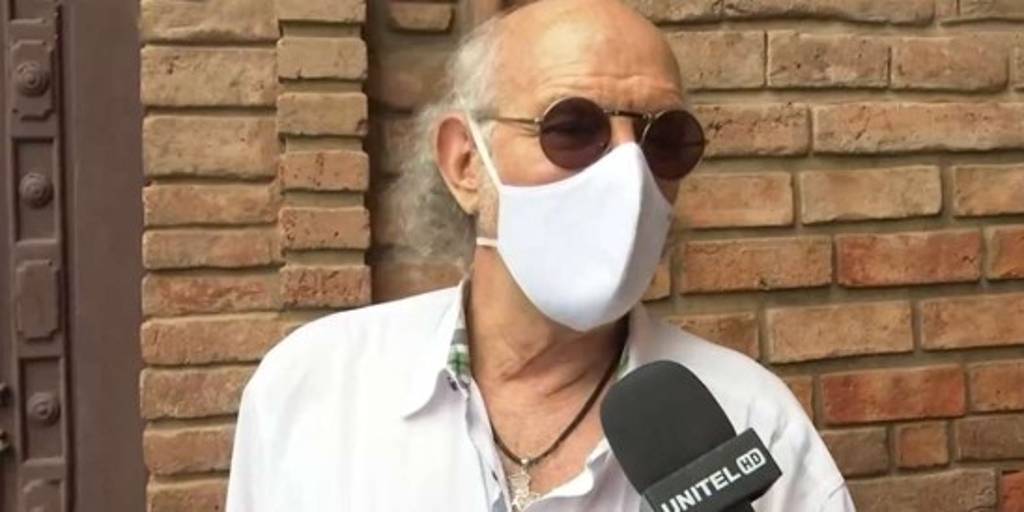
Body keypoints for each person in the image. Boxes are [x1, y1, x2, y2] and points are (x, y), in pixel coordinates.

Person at [226, 1, 855, 510]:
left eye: (665, 140)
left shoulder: (753, 422)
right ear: (465, 163)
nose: (628, 173)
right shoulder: (314, 389)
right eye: (572, 129)